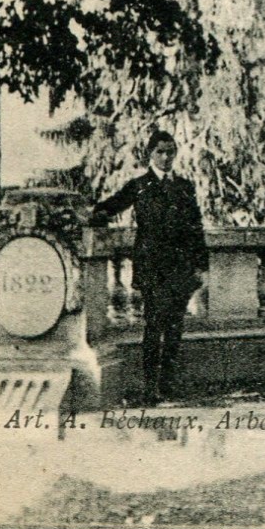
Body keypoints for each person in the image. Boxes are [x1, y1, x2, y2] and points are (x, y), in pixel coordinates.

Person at [91, 129, 208, 406]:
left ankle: (168, 384)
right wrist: (93, 215)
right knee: (154, 326)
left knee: (175, 327)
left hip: (181, 267)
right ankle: (150, 386)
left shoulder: (184, 187)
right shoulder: (139, 185)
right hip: (153, 267)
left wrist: (201, 265)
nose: (166, 157)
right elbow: (113, 205)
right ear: (150, 154)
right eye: (160, 152)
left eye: (170, 152)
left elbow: (195, 227)